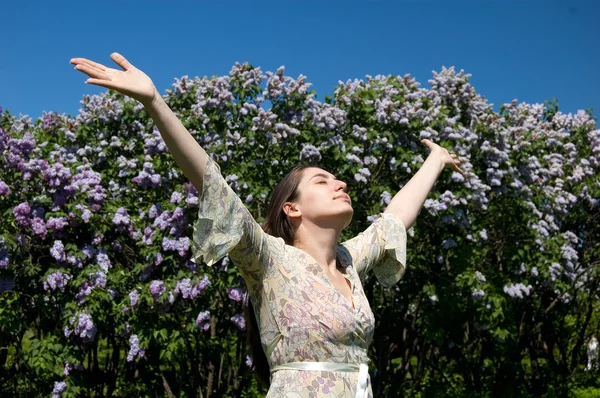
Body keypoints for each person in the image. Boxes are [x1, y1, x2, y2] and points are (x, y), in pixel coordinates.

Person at [71, 53, 463, 397]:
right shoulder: (270, 260)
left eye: (337, 178)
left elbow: (394, 218)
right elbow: (212, 182)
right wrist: (155, 102)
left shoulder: (348, 262)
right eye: (322, 181)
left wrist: (436, 161)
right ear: (293, 209)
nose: (340, 183)